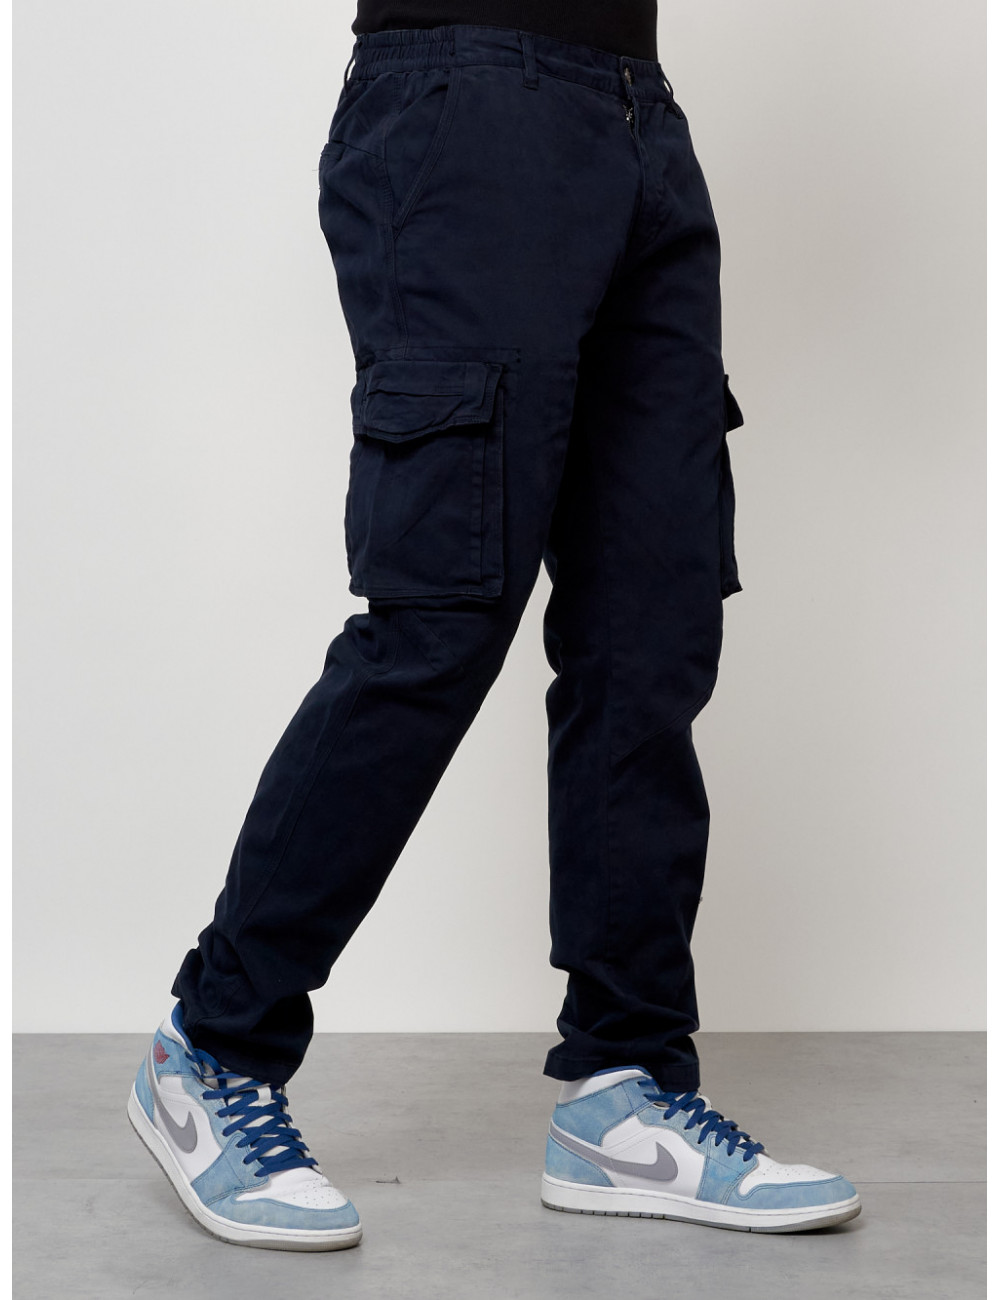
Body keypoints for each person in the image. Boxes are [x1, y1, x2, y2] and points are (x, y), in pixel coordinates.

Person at [127, 1, 861, 1250]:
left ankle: (625, 1088)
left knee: (650, 630)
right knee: (442, 615)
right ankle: (214, 1048)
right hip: (464, 96)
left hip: (636, 109)